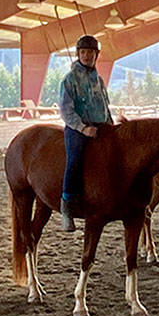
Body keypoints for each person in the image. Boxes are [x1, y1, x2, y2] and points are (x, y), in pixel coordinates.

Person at [58, 34, 112, 232]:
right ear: (78, 54)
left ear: (96, 55)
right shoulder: (70, 79)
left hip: (100, 125)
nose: (87, 56)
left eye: (90, 52)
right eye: (83, 52)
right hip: (78, 128)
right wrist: (83, 128)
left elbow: (105, 105)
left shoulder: (98, 80)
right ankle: (67, 206)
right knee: (75, 159)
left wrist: (111, 126)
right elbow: (66, 109)